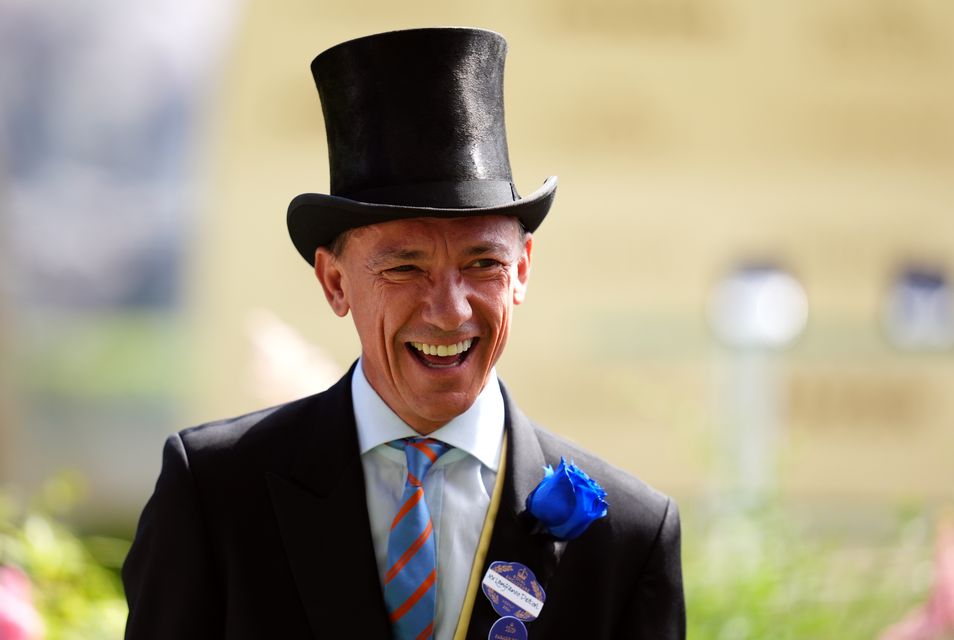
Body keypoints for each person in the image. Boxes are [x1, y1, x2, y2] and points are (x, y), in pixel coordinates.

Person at [122, 27, 685, 640]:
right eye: (405, 268)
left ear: (522, 271)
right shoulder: (215, 494)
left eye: (482, 265)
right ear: (334, 282)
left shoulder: (628, 533)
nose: (449, 311)